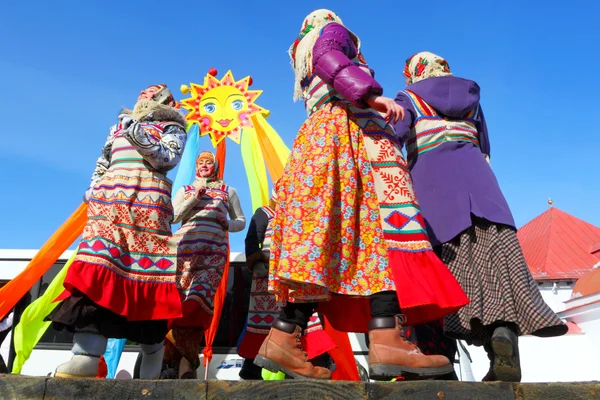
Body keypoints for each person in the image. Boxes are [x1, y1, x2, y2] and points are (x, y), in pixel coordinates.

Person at [255, 10, 469, 381]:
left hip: (321, 141)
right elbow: (329, 56)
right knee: (385, 232)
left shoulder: (301, 54)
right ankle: (387, 337)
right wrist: (371, 95)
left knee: (325, 242)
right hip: (351, 137)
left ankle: (284, 337)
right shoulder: (332, 33)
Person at [393, 52, 568, 381]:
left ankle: (437, 363)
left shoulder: (410, 98)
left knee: (440, 277)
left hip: (434, 198)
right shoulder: (472, 101)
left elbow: (392, 137)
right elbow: (485, 146)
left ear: (413, 73)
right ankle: (501, 338)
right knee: (495, 272)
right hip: (486, 195)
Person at [49, 84, 187, 379]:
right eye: (143, 96)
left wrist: (136, 133)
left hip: (146, 210)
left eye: (152, 98)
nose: (145, 100)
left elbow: (167, 158)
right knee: (97, 269)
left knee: (145, 275)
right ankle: (85, 357)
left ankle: (151, 369)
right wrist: (94, 188)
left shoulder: (173, 126)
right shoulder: (117, 128)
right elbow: (103, 161)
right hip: (109, 210)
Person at [163, 150, 246, 379]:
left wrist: (227, 223)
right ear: (196, 167)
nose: (205, 166)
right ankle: (182, 366)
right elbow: (173, 217)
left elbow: (241, 221)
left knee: (198, 300)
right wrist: (194, 198)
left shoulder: (228, 191)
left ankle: (184, 365)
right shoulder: (186, 190)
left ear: (215, 167)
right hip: (185, 249)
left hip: (214, 249)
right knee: (178, 304)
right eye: (201, 163)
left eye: (209, 163)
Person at [238, 195, 335, 380]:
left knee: (302, 318)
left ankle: (312, 360)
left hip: (291, 274)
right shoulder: (265, 212)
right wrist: (256, 260)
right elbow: (252, 239)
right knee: (263, 323)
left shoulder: (296, 212)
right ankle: (252, 368)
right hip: (267, 277)